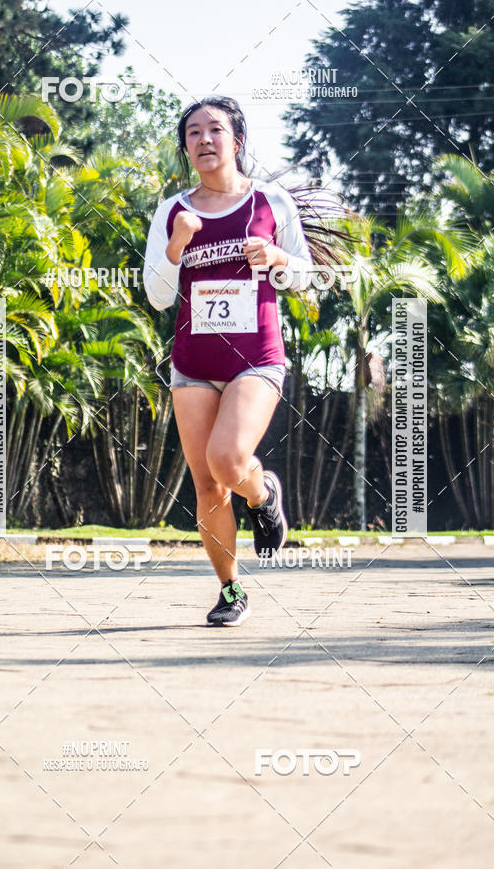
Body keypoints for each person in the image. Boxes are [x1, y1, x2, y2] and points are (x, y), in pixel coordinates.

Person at [143, 96, 314, 627]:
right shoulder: (174, 211)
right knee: (208, 485)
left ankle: (263, 496)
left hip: (255, 359)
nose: (203, 139)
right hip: (193, 361)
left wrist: (280, 258)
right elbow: (157, 296)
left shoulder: (270, 202)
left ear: (236, 140)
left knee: (228, 458)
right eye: (193, 133)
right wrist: (175, 248)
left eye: (214, 129)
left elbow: (304, 277)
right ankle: (231, 589)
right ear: (186, 148)